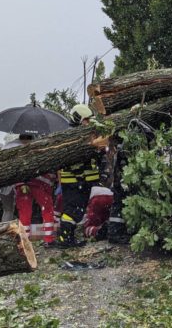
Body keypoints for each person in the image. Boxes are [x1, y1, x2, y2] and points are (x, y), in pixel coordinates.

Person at [57, 104, 103, 248]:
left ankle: (68, 238)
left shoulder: (79, 133)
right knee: (72, 210)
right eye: (86, 120)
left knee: (76, 210)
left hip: (80, 180)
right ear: (78, 119)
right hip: (75, 180)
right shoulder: (74, 135)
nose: (88, 123)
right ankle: (65, 239)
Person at [12, 134, 57, 246]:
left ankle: (25, 241)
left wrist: (21, 183)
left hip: (23, 186)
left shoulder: (17, 152)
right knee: (47, 209)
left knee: (25, 213)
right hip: (38, 185)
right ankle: (49, 239)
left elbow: (15, 170)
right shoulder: (41, 151)